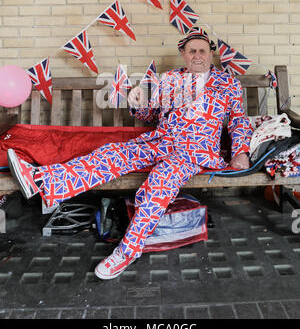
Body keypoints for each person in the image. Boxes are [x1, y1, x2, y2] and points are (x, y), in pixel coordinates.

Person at [7, 26, 253, 280]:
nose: (197, 55)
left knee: (160, 182)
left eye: (202, 50)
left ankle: (127, 251)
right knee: (111, 154)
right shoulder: (169, 79)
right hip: (160, 140)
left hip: (194, 151)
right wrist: (138, 104)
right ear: (183, 54)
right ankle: (41, 180)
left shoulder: (228, 83)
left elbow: (238, 121)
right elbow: (151, 116)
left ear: (211, 54)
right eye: (192, 51)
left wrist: (241, 151)